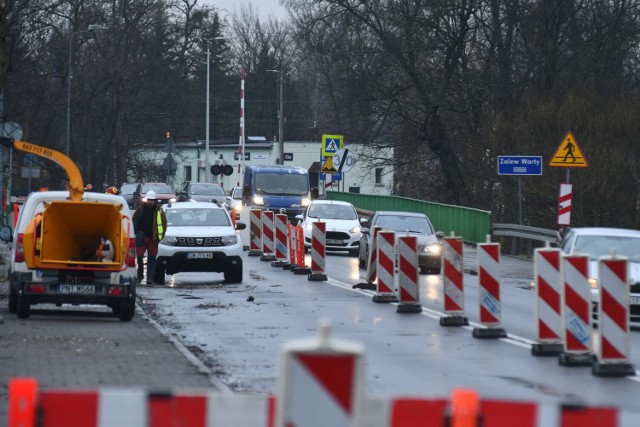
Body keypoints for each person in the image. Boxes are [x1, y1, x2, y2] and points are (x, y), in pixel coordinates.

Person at [132, 190, 167, 284]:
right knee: (139, 258)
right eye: (148, 200)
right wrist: (135, 234)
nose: (150, 202)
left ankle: (150, 278)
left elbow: (164, 225)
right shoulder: (140, 209)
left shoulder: (159, 211)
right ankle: (140, 276)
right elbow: (134, 221)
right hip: (141, 238)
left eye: (152, 200)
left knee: (152, 259)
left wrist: (160, 238)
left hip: (153, 239)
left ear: (154, 201)